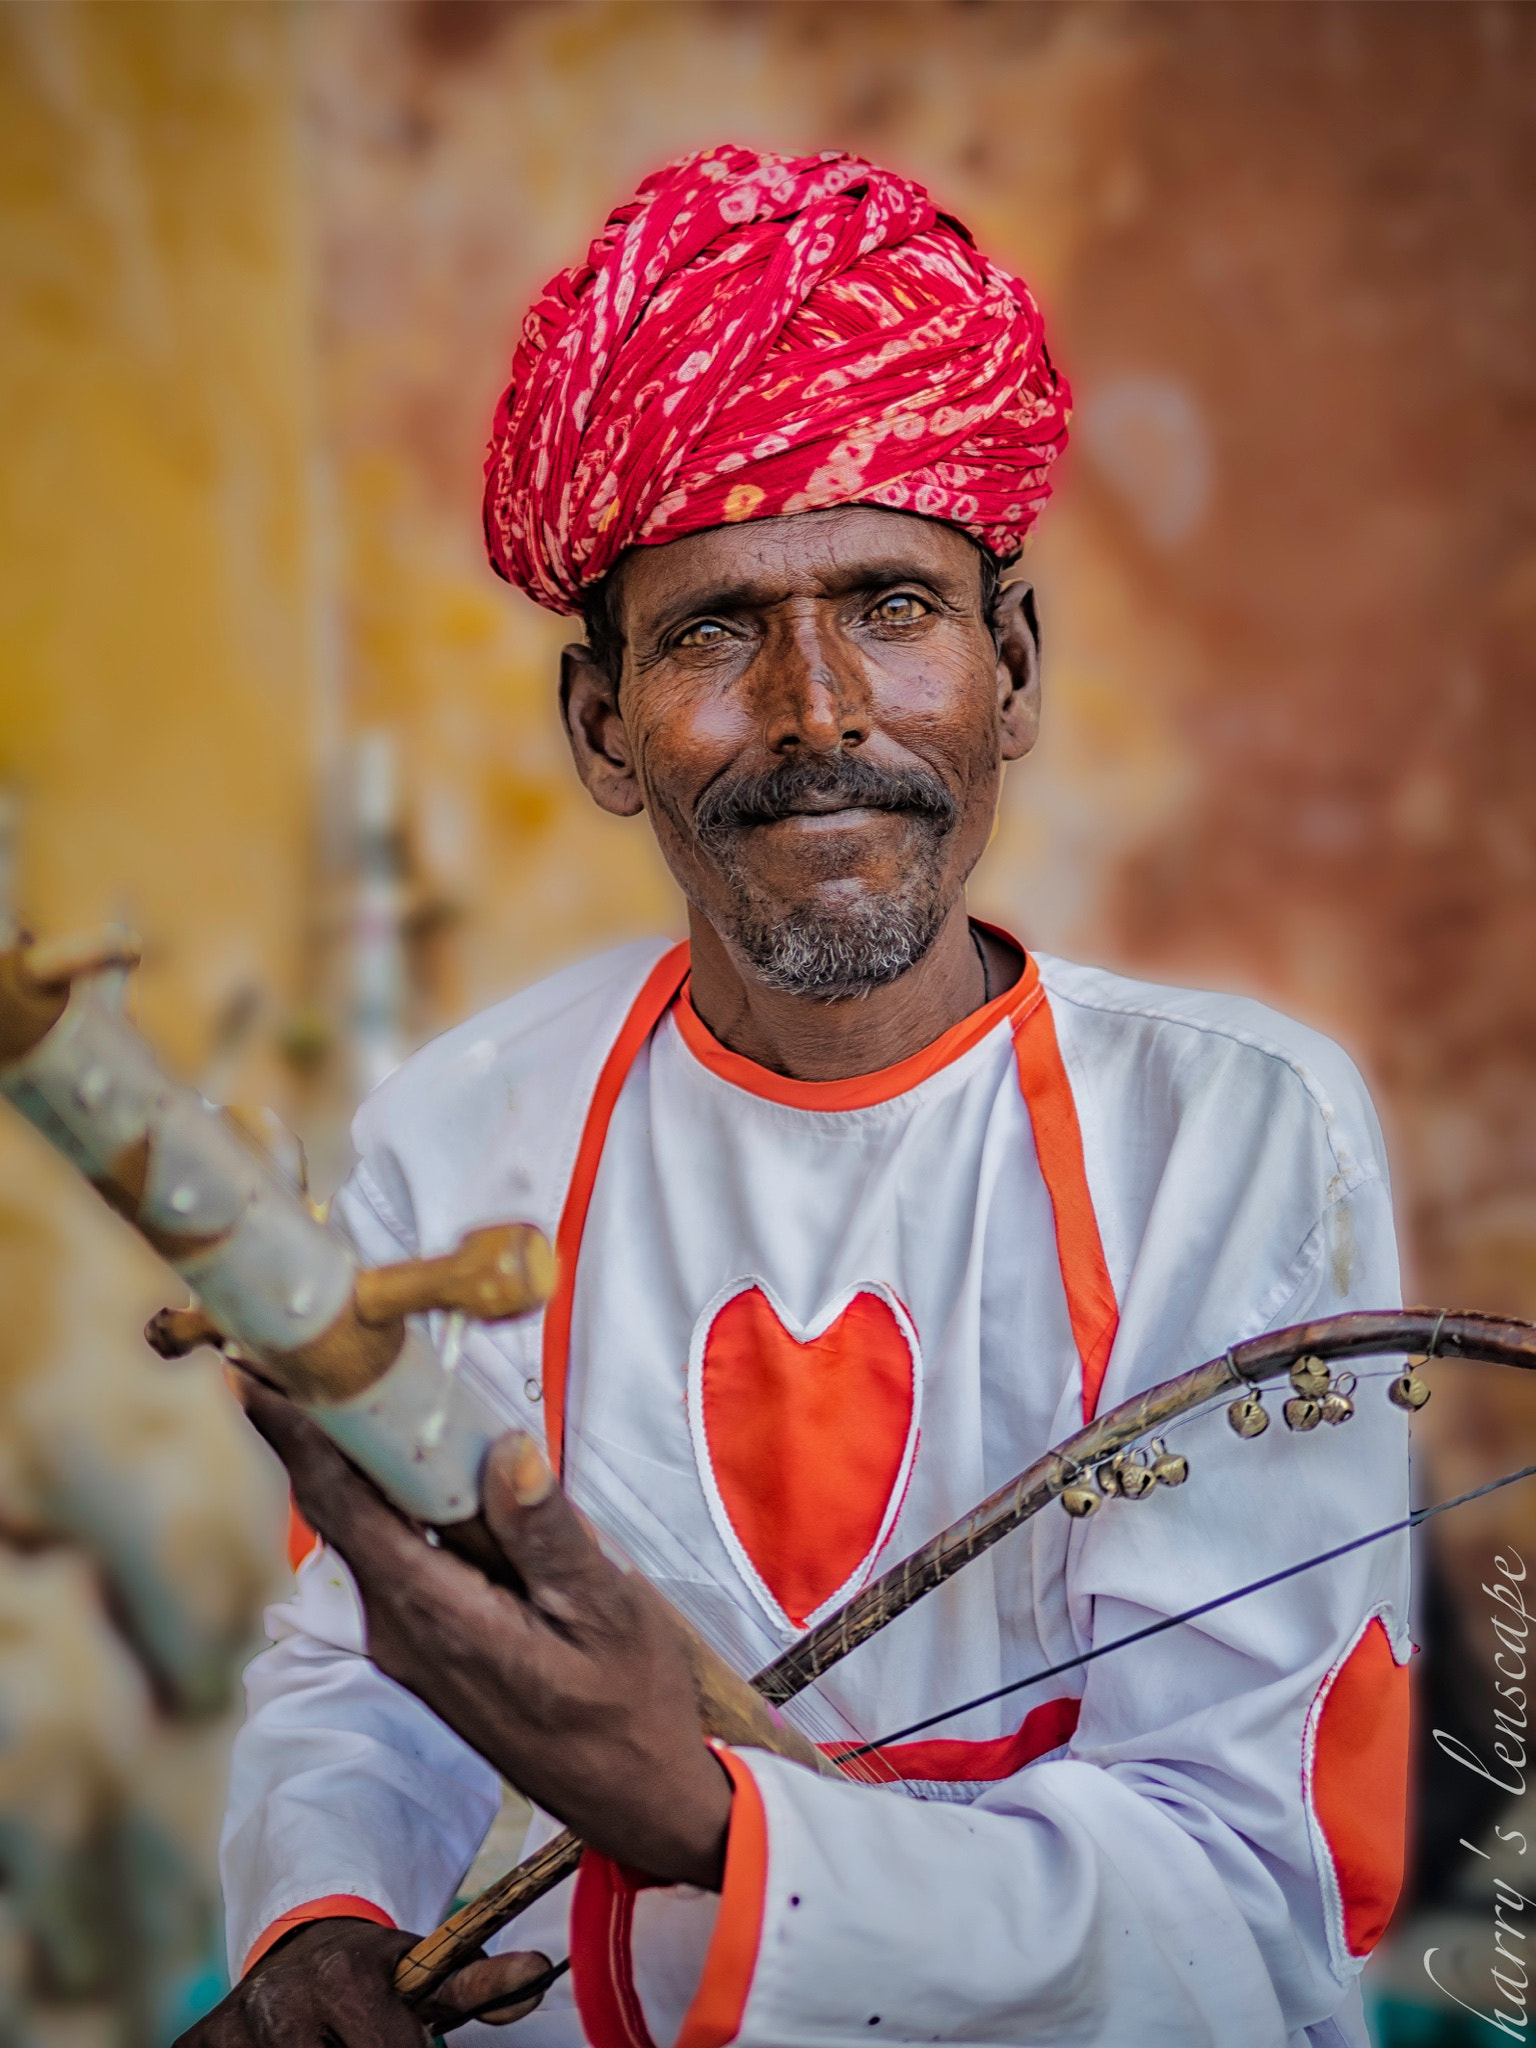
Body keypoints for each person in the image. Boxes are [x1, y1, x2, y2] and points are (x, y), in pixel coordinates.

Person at [192, 146, 1409, 2048]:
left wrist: (691, 1815)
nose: (820, 707)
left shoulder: (1234, 1131)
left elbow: (1244, 1905)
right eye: (712, 632)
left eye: (893, 609)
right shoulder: (466, 1128)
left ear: (1008, 672)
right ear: (602, 729)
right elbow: (367, 1664)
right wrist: (323, 1918)